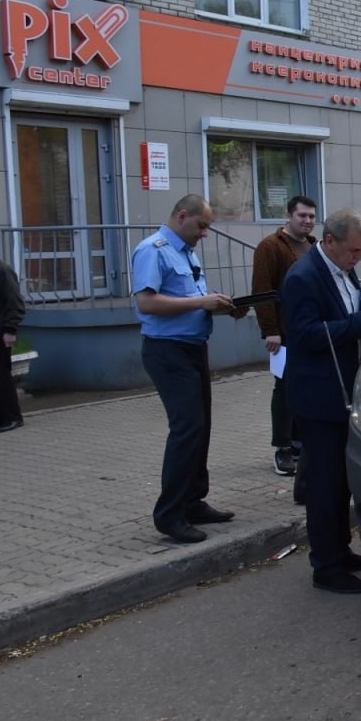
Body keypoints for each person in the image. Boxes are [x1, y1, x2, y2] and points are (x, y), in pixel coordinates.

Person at [282, 209, 361, 594]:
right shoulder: (303, 277)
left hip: (343, 391)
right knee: (324, 484)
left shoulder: (340, 268)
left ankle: (340, 550)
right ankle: (325, 566)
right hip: (319, 396)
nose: (356, 258)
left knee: (342, 480)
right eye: (352, 252)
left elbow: (348, 306)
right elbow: (305, 335)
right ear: (329, 242)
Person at [132, 194, 238, 543]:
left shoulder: (184, 251)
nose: (205, 233)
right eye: (202, 225)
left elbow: (189, 299)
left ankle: (193, 501)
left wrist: (218, 304)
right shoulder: (154, 249)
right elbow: (147, 302)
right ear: (182, 216)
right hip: (168, 351)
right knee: (186, 429)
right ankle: (169, 514)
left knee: (200, 427)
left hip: (192, 349)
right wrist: (200, 301)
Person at [252, 195, 318, 482]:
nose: (307, 221)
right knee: (284, 387)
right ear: (289, 216)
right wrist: (270, 329)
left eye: (311, 216)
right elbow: (262, 289)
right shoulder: (270, 247)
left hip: (311, 330)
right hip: (284, 331)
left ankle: (302, 443)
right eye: (302, 216)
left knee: (306, 386)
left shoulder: (315, 247)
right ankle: (282, 448)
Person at [0, 251, 25, 433]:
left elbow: (15, 303)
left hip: (0, 332)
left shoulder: (3, 271)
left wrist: (10, 330)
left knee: (2, 376)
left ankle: (13, 417)